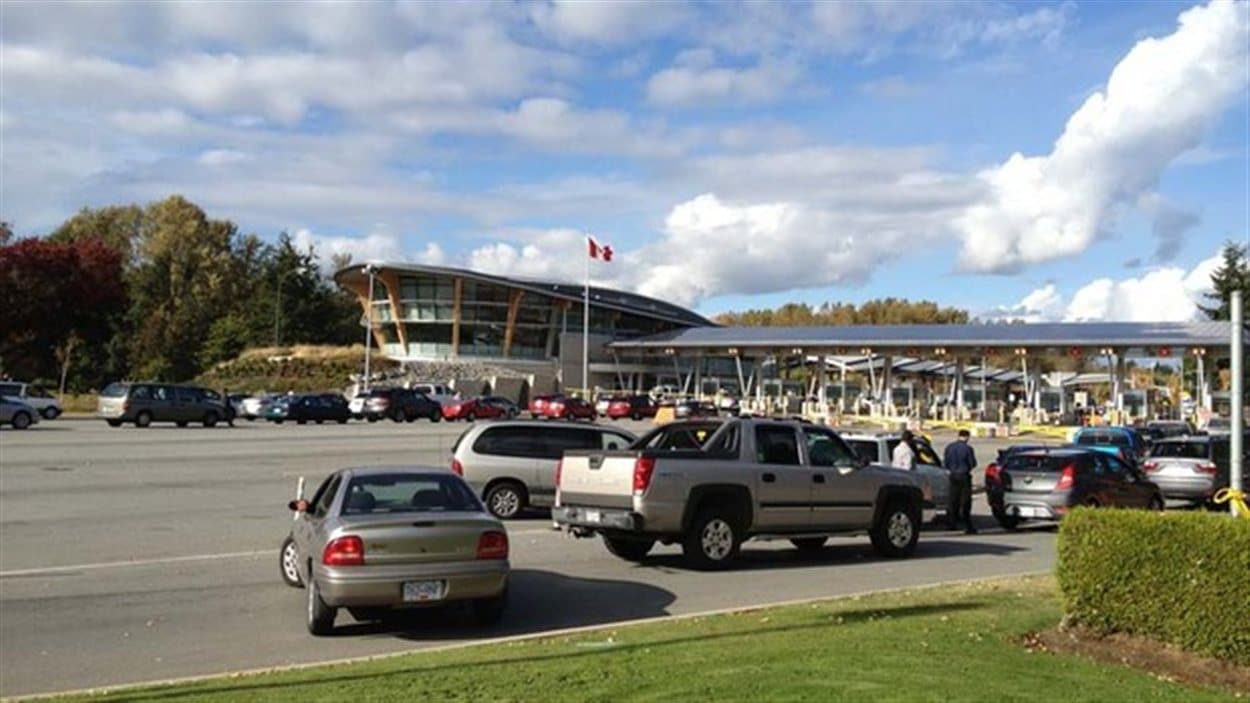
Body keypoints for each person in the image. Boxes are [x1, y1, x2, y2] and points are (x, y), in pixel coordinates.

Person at [943, 429, 977, 534]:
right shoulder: (968, 449)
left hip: (953, 476)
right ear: (966, 437)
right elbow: (972, 463)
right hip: (964, 475)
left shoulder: (949, 447)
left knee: (953, 500)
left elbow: (946, 463)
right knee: (965, 501)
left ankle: (951, 523)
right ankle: (968, 525)